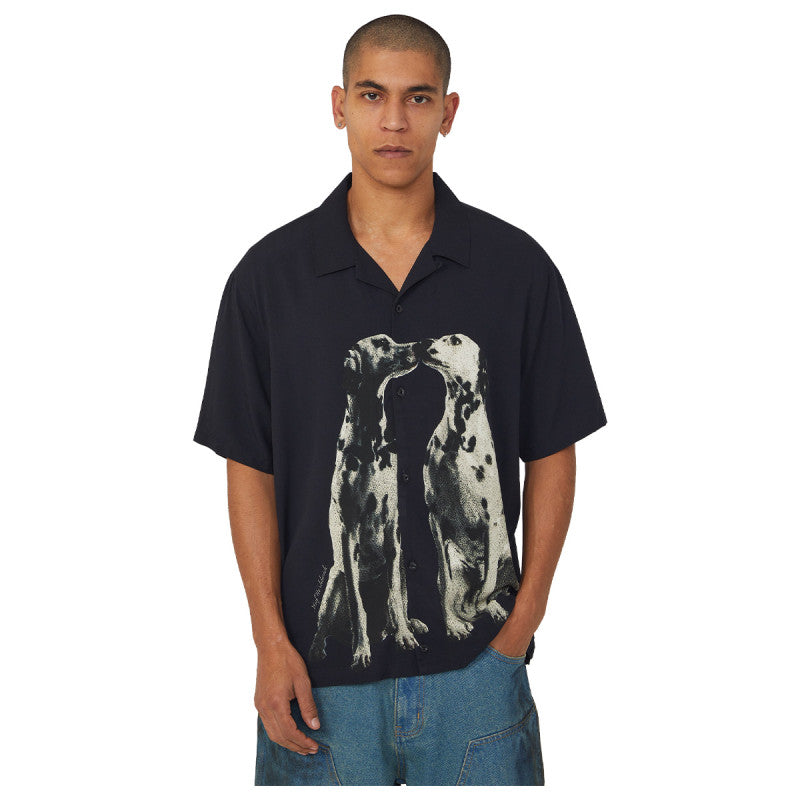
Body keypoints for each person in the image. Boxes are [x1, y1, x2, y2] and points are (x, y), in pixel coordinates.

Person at [193, 13, 607, 786]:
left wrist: (520, 629)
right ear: (338, 106)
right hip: (316, 681)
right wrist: (268, 642)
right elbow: (250, 466)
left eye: (418, 98)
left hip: (478, 674)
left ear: (448, 112)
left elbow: (554, 449)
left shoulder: (518, 270)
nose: (393, 120)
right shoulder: (267, 280)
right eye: (371, 94)